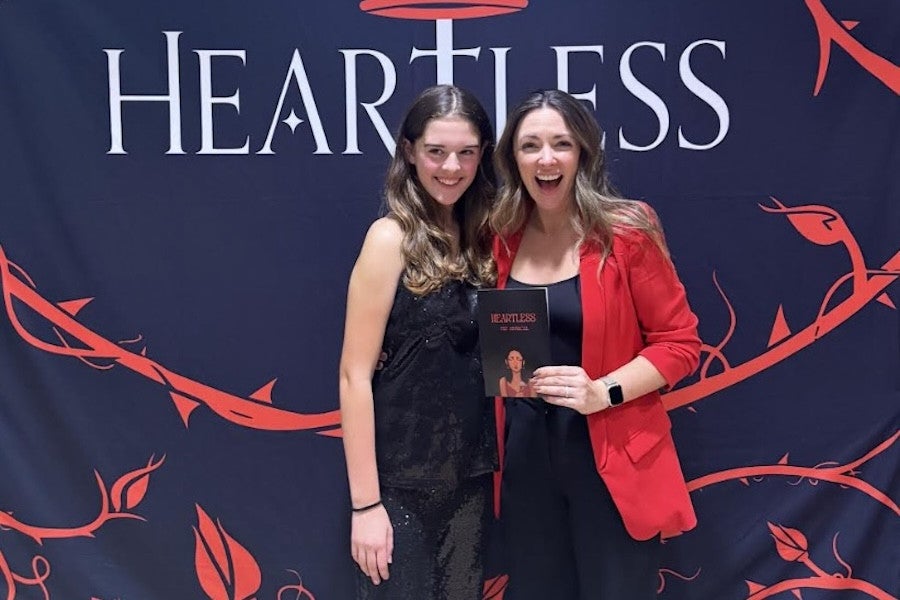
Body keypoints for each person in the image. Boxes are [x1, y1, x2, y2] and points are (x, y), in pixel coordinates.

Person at [489, 89, 700, 599]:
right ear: (512, 159)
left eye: (561, 143)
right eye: (530, 145)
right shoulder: (497, 236)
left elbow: (680, 344)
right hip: (525, 463)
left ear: (583, 151)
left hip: (609, 462)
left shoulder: (625, 232)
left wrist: (601, 391)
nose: (546, 159)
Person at [338, 84, 498, 600]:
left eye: (466, 153)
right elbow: (353, 376)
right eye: (436, 152)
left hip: (470, 482)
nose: (451, 167)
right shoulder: (389, 238)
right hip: (399, 488)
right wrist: (366, 506)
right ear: (409, 151)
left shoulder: (483, 238)